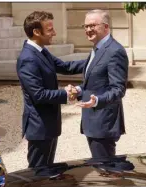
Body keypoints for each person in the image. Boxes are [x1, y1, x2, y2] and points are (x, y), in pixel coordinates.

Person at [16, 11, 85, 168]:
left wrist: (94, 60)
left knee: (46, 172)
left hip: (48, 125)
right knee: (38, 175)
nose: (54, 33)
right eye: (50, 30)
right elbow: (38, 95)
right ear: (36, 32)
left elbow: (65, 67)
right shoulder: (28, 58)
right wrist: (66, 94)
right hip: (39, 127)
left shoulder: (40, 50)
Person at [69, 9, 129, 161]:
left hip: (104, 123)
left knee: (105, 172)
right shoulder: (97, 48)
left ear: (106, 27)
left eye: (93, 25)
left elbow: (118, 89)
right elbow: (94, 81)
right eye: (86, 26)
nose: (88, 29)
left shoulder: (115, 51)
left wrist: (97, 100)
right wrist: (79, 89)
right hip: (94, 122)